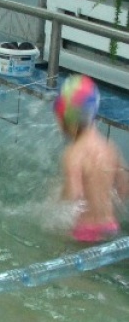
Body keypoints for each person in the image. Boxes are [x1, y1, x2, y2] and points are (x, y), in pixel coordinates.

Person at [55, 74, 129, 243]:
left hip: (85, 229)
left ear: (66, 119)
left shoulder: (74, 153)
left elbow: (74, 196)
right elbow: (124, 187)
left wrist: (57, 204)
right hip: (110, 225)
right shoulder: (109, 147)